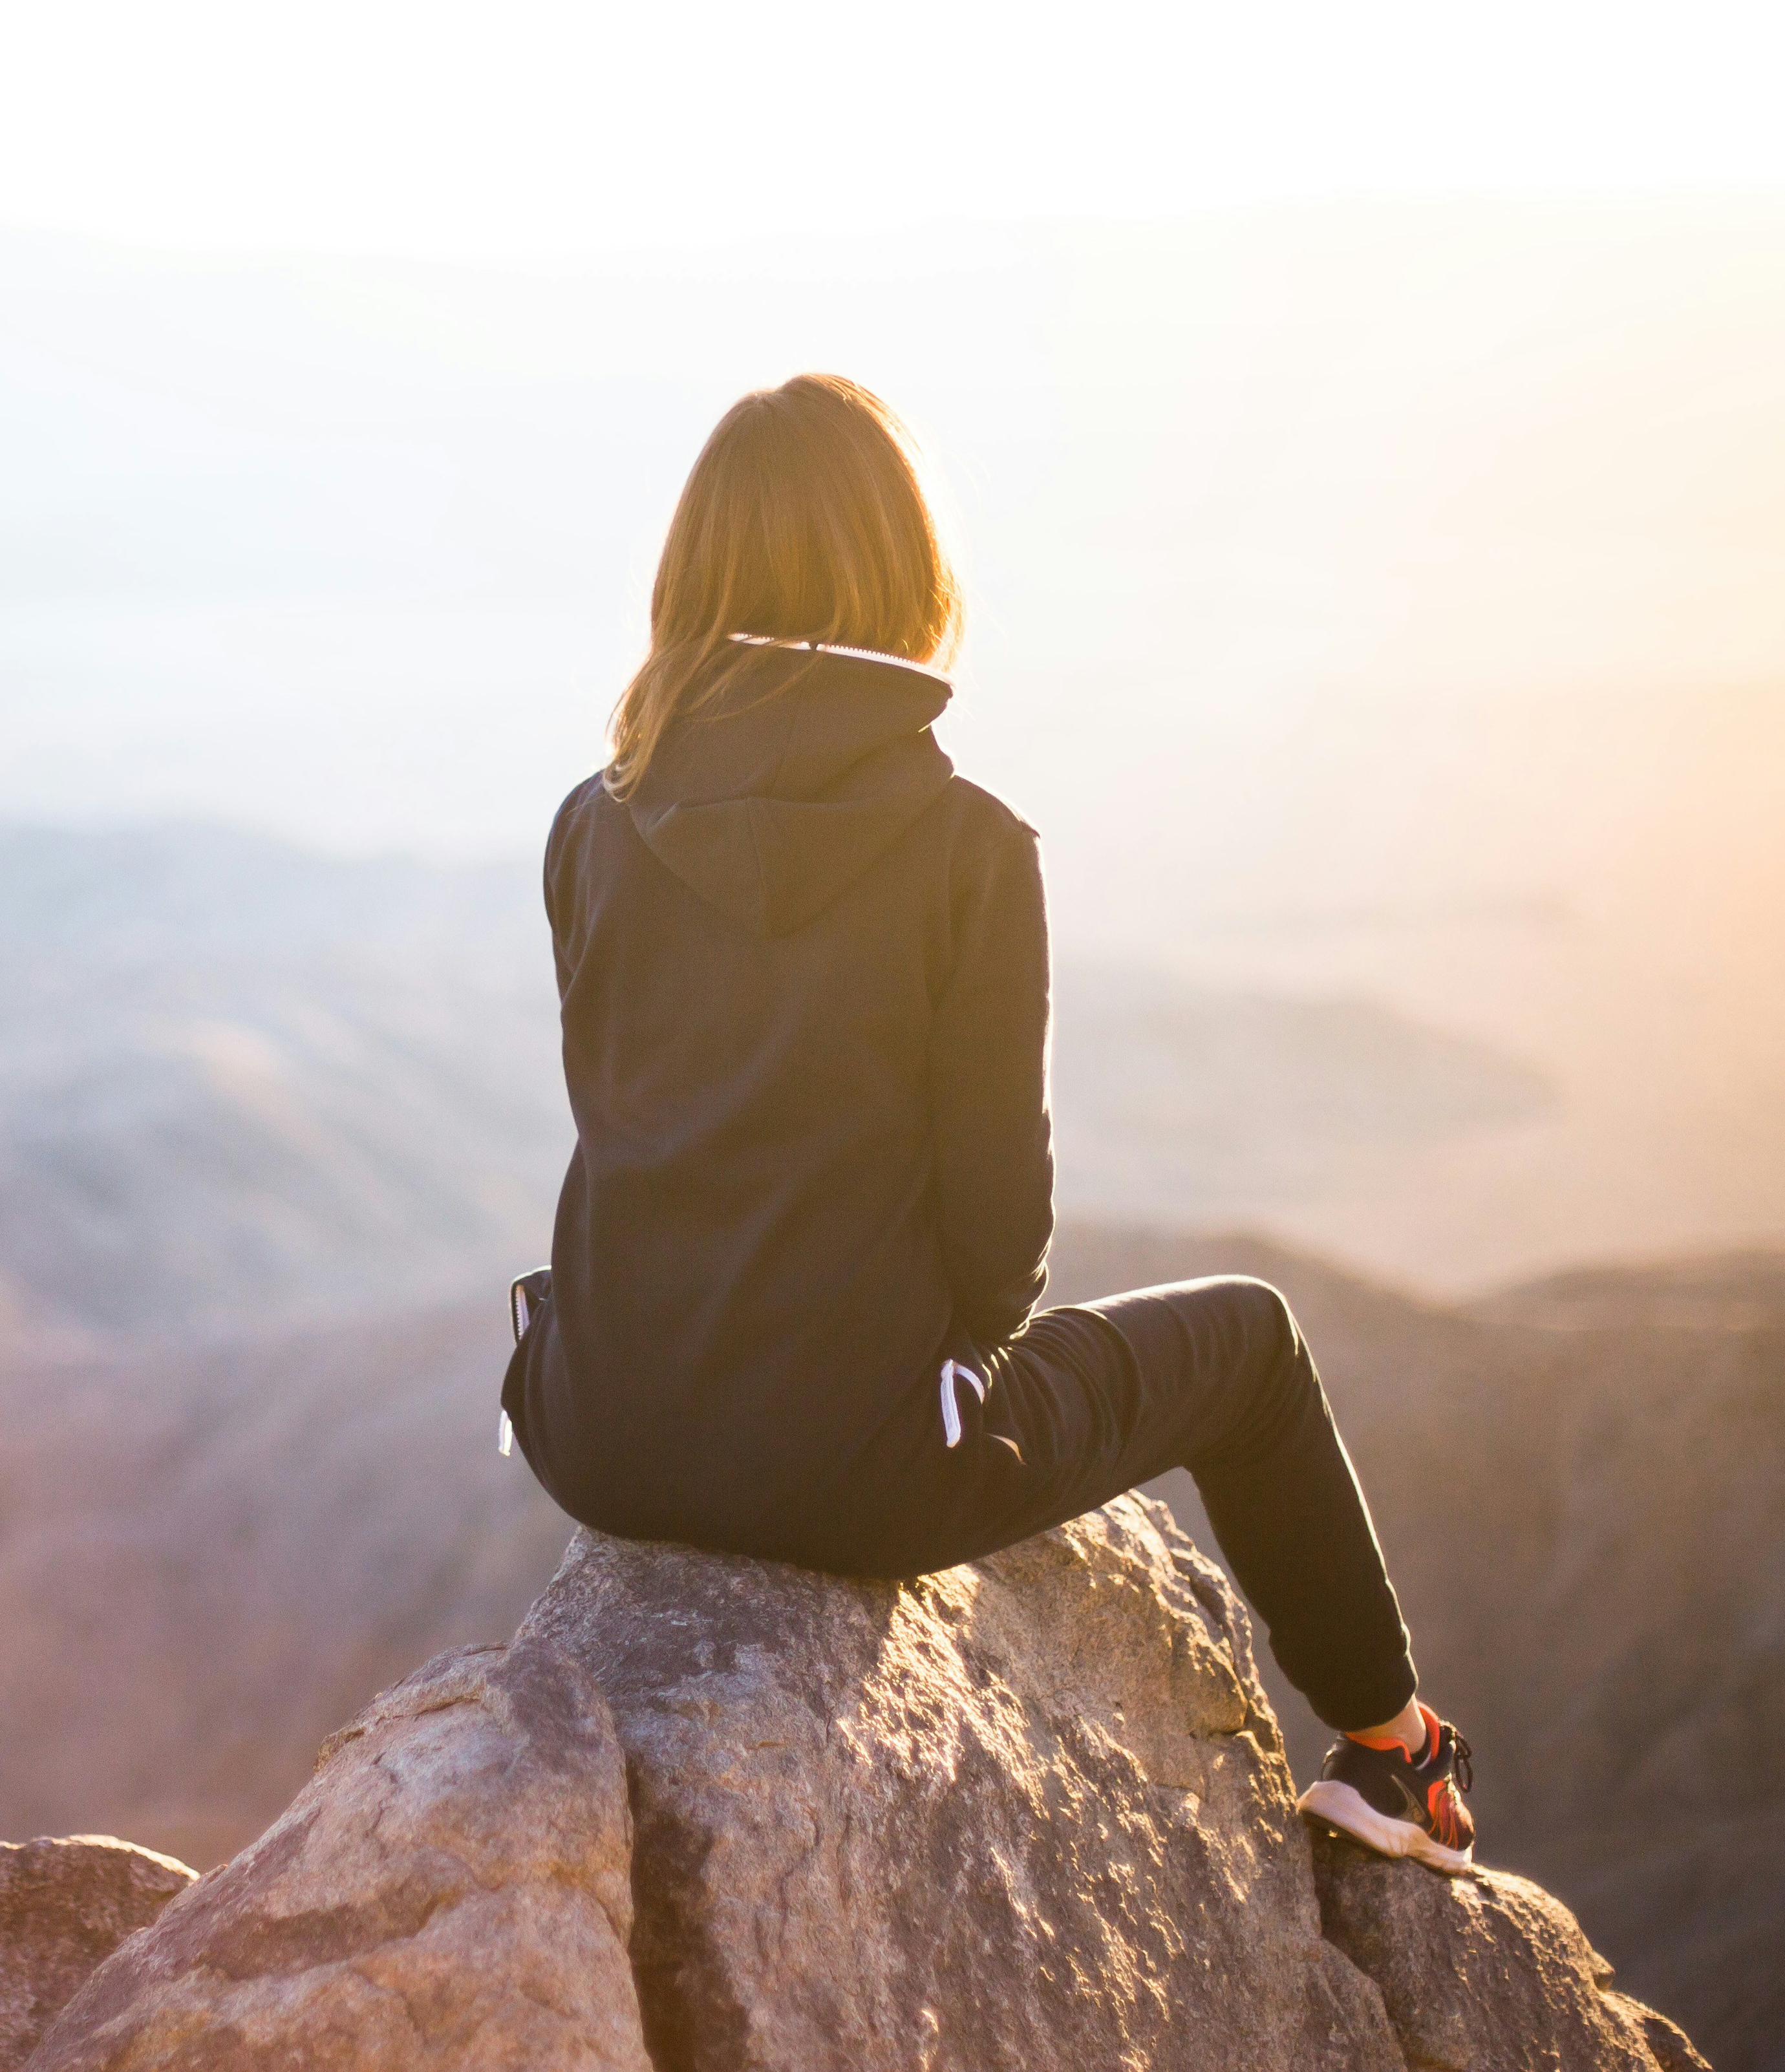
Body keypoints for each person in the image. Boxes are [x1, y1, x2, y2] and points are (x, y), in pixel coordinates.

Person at [502, 373, 1475, 1874]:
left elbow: (627, 1121)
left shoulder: (592, 817)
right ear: (905, 573)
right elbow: (1001, 1245)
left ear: (690, 576)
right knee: (1257, 1344)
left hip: (596, 1428)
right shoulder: (967, 849)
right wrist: (924, 1383)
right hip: (859, 1471)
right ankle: (1392, 1751)